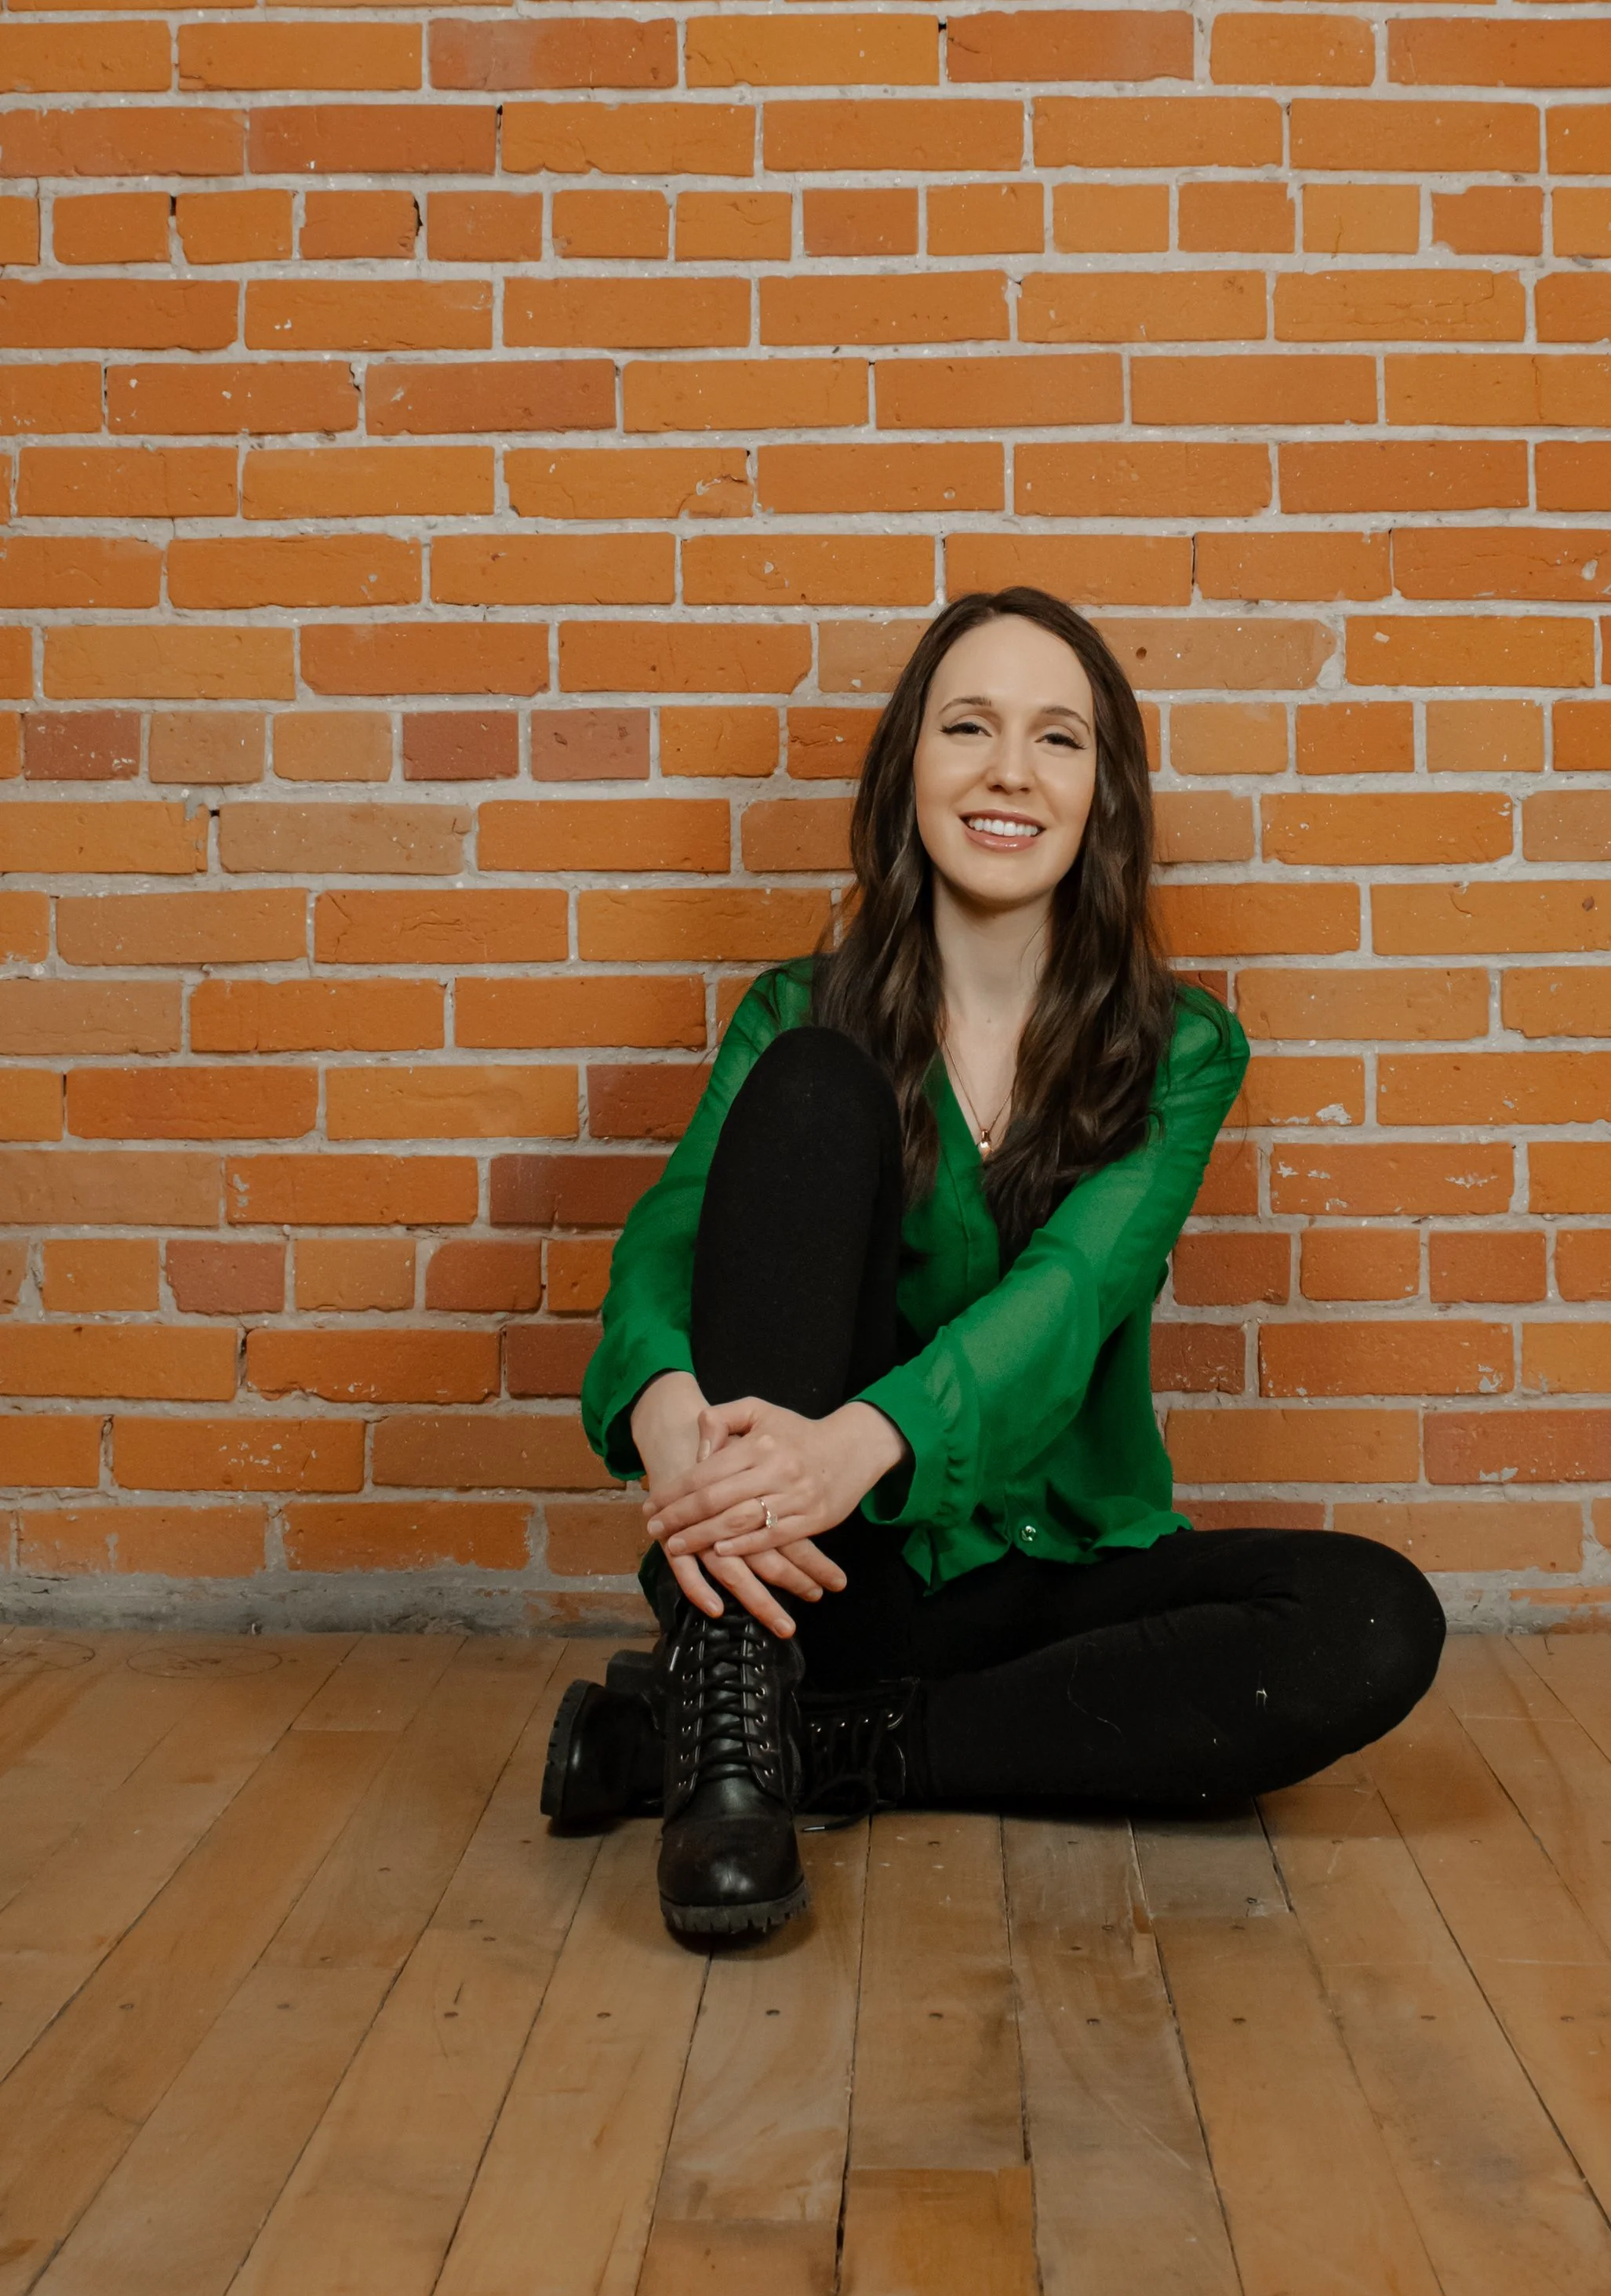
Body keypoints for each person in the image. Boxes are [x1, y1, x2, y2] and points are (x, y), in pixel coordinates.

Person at [541, 587, 1446, 1938]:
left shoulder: (1179, 1050)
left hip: (1041, 1582)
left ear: (1105, 795)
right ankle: (729, 1753)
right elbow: (669, 1241)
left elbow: (1071, 1295)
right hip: (810, 1578)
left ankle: (822, 1751)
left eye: (1058, 739)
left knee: (1372, 1618)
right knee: (810, 1088)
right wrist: (667, 1405)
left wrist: (861, 1440)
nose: (1010, 771)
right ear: (912, 767)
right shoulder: (797, 1015)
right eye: (970, 726)